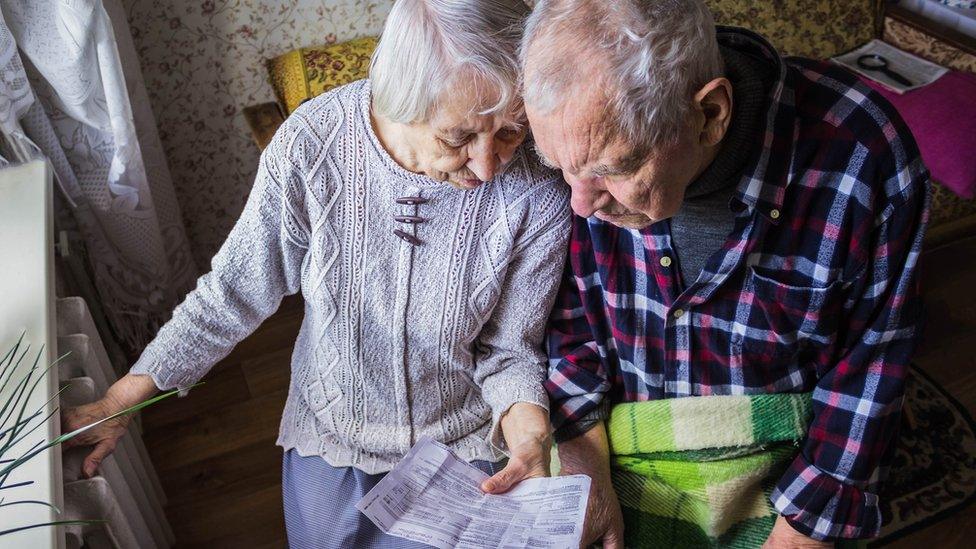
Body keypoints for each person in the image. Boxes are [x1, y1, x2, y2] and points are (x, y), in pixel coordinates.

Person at [62, 1, 570, 546]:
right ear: (402, 99)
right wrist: (119, 400)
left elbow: (509, 349)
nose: (489, 164)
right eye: (457, 139)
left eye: (511, 132)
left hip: (463, 439)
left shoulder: (537, 188)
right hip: (332, 429)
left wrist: (528, 437)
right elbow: (232, 292)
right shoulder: (312, 146)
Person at [521, 0, 929, 547]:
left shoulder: (862, 154)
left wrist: (798, 536)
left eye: (612, 170)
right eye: (560, 168)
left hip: (784, 480)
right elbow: (570, 325)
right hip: (622, 454)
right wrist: (584, 467)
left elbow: (870, 371)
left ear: (711, 114)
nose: (580, 204)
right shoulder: (582, 145)